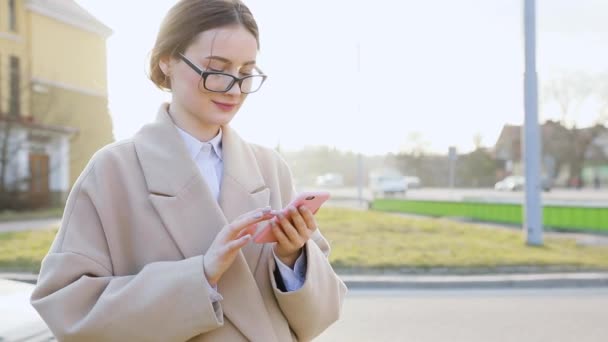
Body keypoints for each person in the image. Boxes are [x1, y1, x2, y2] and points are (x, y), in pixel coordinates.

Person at [30, 1, 347, 341]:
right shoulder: (112, 171)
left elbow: (326, 311)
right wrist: (200, 276)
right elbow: (67, 308)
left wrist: (292, 259)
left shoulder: (270, 167)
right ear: (167, 59)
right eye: (217, 69)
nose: (234, 89)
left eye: (245, 73)